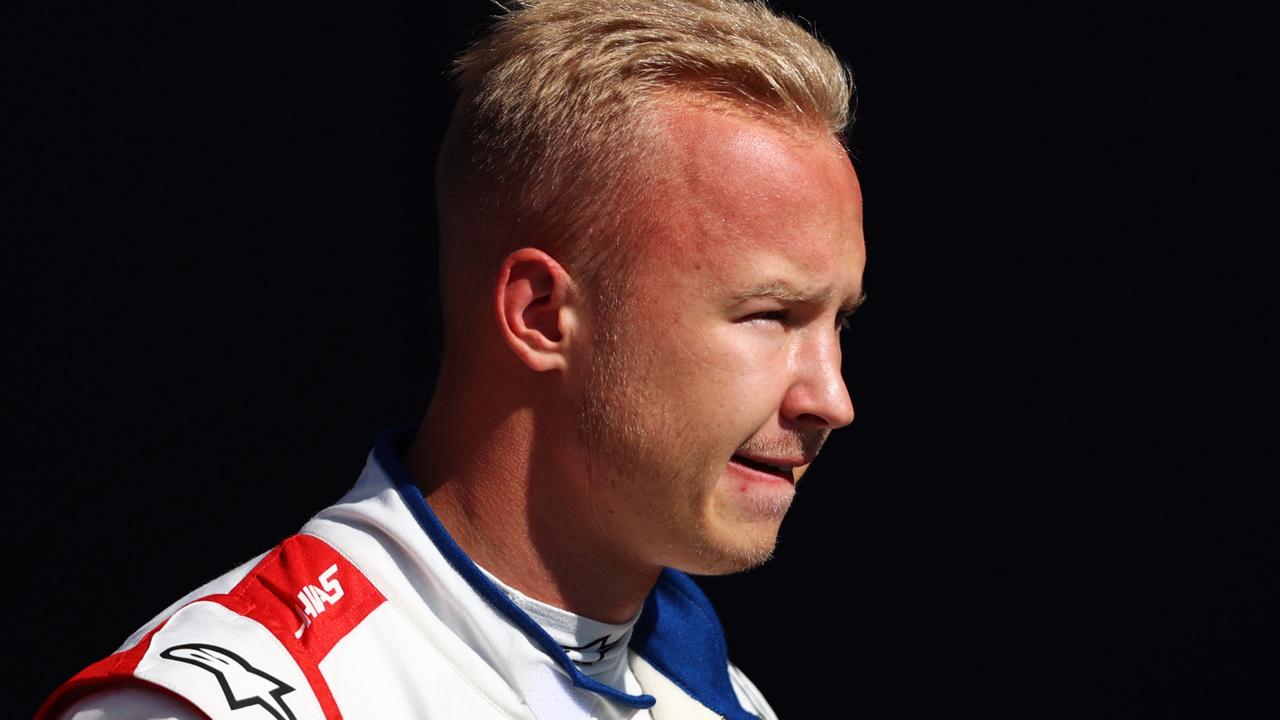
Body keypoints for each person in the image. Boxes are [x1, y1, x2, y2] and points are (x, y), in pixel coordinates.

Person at [38, 0, 866, 717]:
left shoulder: (719, 695)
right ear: (541, 315)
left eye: (839, 323)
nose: (832, 398)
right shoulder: (224, 702)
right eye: (770, 315)